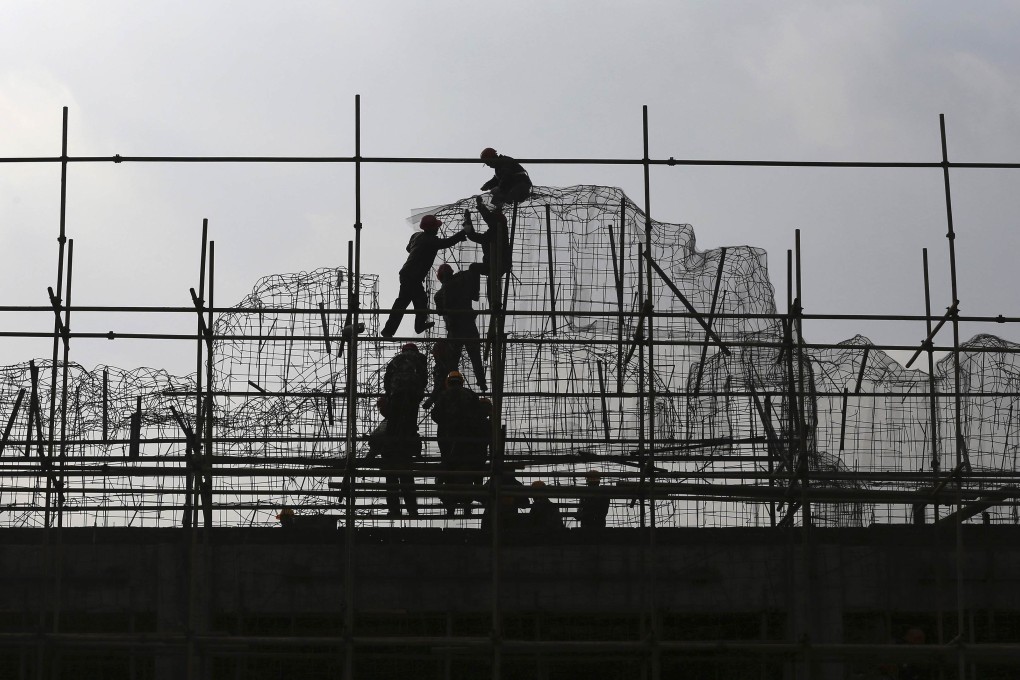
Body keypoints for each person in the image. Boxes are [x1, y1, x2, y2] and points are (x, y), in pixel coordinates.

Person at [381, 214, 466, 338]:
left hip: (408, 274)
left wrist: (420, 252)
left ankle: (405, 327)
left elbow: (408, 248)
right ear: (431, 228)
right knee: (406, 302)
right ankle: (392, 330)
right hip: (412, 276)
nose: (438, 229)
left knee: (416, 301)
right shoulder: (430, 240)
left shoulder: (416, 236)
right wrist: (463, 233)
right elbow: (446, 243)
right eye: (436, 227)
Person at [430, 370, 489, 516]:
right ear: (461, 381)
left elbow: (435, 415)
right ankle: (466, 505)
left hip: (448, 440)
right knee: (465, 472)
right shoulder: (470, 395)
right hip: (468, 441)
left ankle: (450, 506)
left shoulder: (444, 395)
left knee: (450, 471)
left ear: (448, 382)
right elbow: (478, 416)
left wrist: (446, 423)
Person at [434, 263, 487, 392]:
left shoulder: (438, 295)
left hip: (454, 330)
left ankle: (453, 386)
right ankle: (481, 382)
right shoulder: (462, 279)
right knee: (475, 356)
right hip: (468, 325)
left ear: (440, 278)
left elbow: (440, 312)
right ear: (451, 272)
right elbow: (473, 271)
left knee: (453, 361)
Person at [367, 397, 420, 518]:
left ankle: (397, 511)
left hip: (391, 458)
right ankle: (411, 510)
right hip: (402, 458)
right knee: (405, 485)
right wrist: (417, 453)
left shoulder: (389, 423)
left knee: (393, 486)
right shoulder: (402, 420)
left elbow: (376, 440)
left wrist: (369, 457)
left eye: (382, 408)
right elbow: (415, 437)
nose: (381, 411)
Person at [384, 343, 428, 434]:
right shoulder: (420, 358)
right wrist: (421, 391)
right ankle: (409, 437)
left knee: (394, 417)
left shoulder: (397, 359)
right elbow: (424, 376)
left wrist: (388, 393)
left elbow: (388, 376)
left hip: (397, 391)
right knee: (411, 416)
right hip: (413, 391)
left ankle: (391, 439)